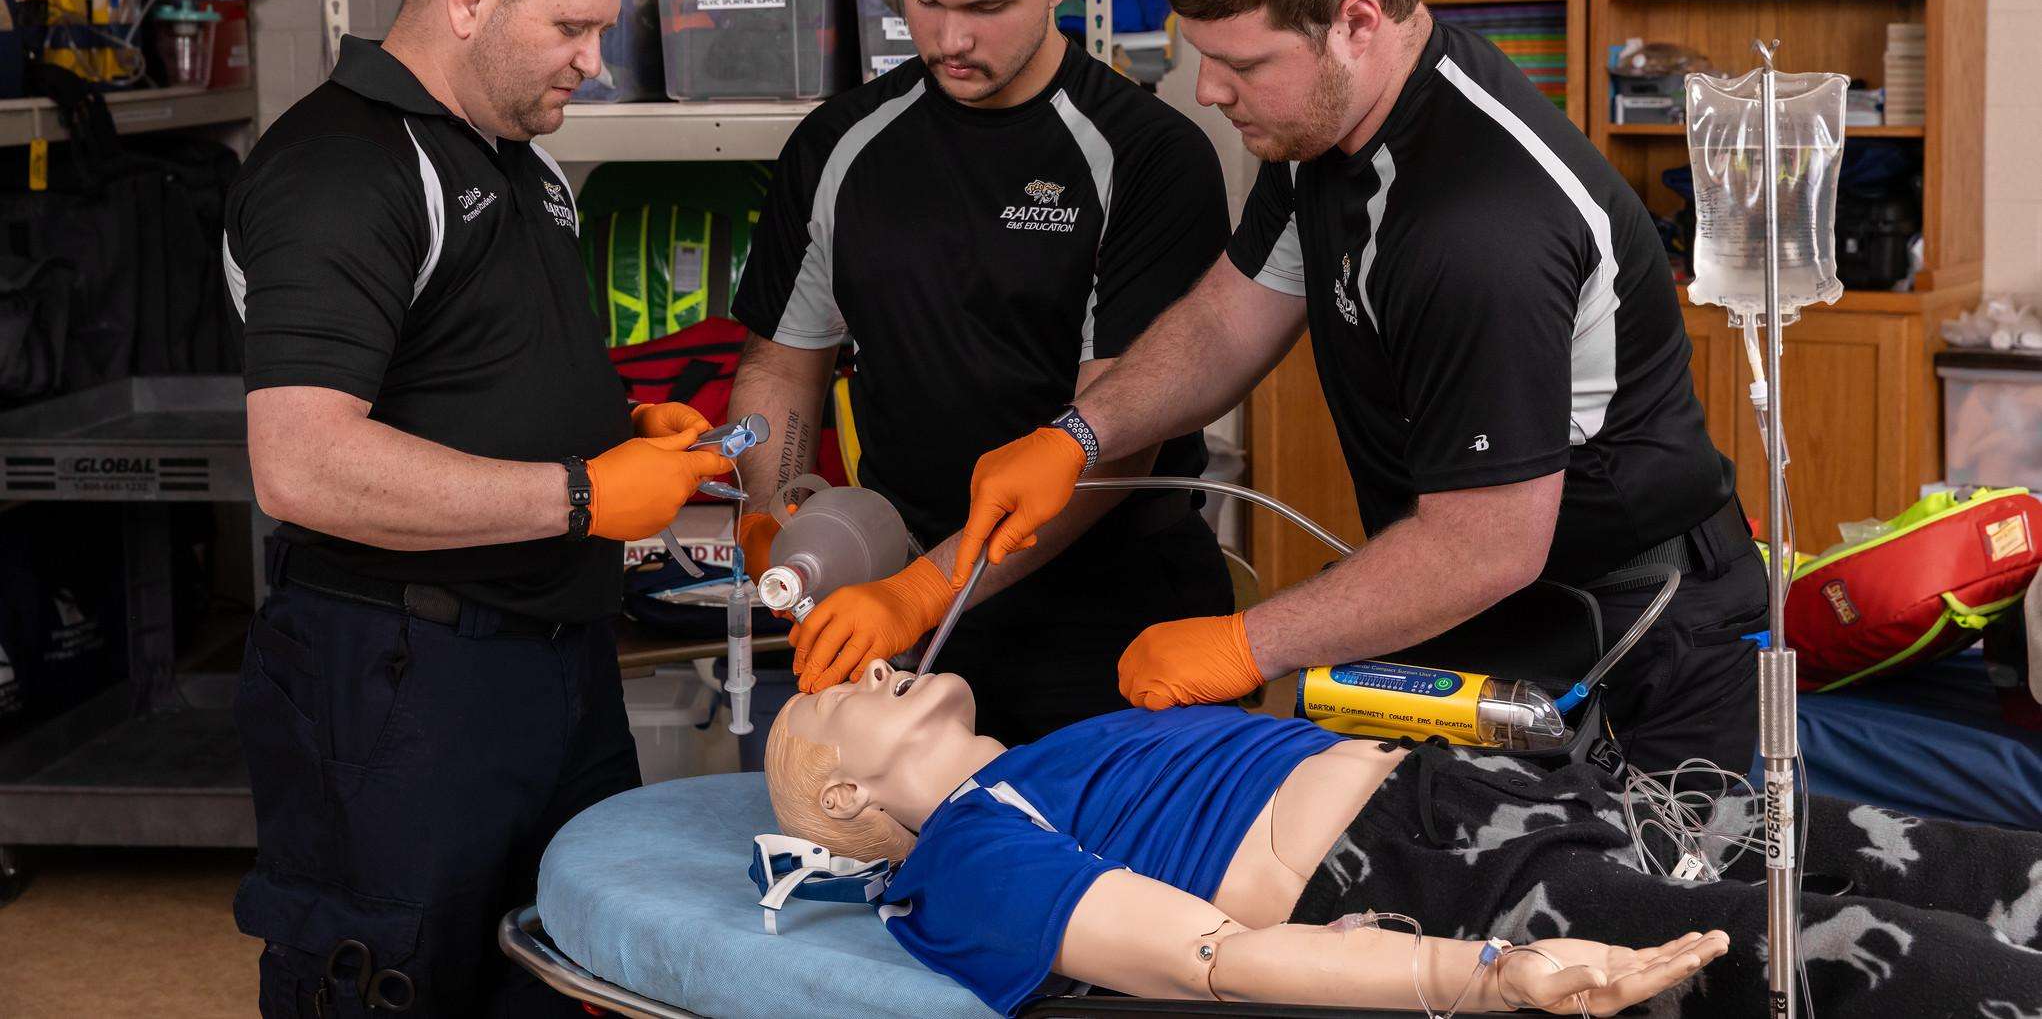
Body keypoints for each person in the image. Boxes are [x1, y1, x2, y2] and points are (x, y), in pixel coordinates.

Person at [953, 0, 1769, 774]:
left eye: (1243, 64)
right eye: (1201, 54)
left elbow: (1485, 547)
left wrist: (1245, 642)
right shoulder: (1327, 130)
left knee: (1623, 876)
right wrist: (1077, 435)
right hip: (1502, 605)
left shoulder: (1476, 226)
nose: (1208, 90)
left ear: (1356, 22)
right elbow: (1225, 321)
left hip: (1635, 644)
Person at [225, 0, 733, 1017]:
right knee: (395, 981)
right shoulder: (341, 167)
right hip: (399, 680)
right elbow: (301, 463)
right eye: (571, 28)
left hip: (554, 667)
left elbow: (463, 373)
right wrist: (581, 495)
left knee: (568, 969)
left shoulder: (524, 162)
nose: (594, 62)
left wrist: (620, 427)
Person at [726, 0, 1233, 741]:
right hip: (900, 619)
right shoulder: (839, 145)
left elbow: (1119, 437)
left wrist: (925, 591)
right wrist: (778, 509)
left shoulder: (1150, 158)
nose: (951, 38)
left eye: (988, 6)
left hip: (1110, 628)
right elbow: (780, 364)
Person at [764, 661, 2042, 1017]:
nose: (865, 666)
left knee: (1931, 851)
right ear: (843, 802)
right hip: (1438, 873)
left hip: (1499, 793)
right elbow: (1209, 957)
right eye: (828, 701)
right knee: (1856, 950)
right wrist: (1479, 977)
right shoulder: (963, 859)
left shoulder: (1046, 751)